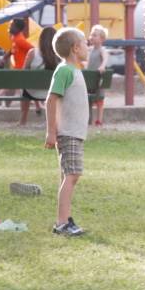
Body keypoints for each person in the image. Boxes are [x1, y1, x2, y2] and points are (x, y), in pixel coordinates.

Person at [44, 27, 90, 237]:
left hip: (75, 133)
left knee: (69, 176)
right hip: (68, 133)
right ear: (75, 48)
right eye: (85, 43)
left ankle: (66, 219)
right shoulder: (64, 70)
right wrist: (51, 132)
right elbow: (51, 100)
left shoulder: (75, 70)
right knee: (72, 175)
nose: (88, 47)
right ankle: (61, 223)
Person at [20, 26, 58, 126]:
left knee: (25, 88)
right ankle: (53, 121)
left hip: (32, 92)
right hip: (52, 93)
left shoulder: (32, 53)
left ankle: (23, 120)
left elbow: (23, 73)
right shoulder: (59, 56)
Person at [0, 17, 33, 108]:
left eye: (12, 25)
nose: (9, 27)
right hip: (17, 68)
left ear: (18, 28)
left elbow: (32, 49)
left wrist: (29, 62)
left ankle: (0, 97)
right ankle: (4, 102)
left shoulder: (20, 40)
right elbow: (12, 50)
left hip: (21, 69)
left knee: (12, 86)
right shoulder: (15, 37)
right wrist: (5, 57)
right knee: (12, 87)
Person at [87, 24, 109, 125]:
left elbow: (105, 58)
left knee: (99, 98)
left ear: (102, 39)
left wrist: (102, 66)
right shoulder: (89, 50)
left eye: (95, 35)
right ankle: (89, 119)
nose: (91, 37)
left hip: (98, 77)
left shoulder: (102, 50)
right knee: (88, 99)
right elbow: (86, 61)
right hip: (90, 78)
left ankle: (99, 119)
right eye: (91, 35)